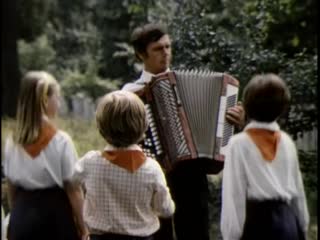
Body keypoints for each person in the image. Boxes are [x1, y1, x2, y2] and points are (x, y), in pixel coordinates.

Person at [122, 23, 244, 240]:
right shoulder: (131, 94)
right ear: (141, 54)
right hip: (153, 174)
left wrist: (235, 122)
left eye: (168, 47)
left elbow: (220, 129)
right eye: (158, 49)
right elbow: (124, 138)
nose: (166, 53)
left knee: (196, 233)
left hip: (192, 176)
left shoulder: (186, 83)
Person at [71, 90, 175, 240]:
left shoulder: (90, 162)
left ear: (101, 126)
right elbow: (165, 210)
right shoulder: (152, 169)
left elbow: (69, 182)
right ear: (144, 126)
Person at [220, 73, 310, 240]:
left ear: (246, 105)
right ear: (282, 108)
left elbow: (234, 198)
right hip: (288, 224)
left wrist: (231, 236)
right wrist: (302, 228)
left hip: (257, 226)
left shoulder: (239, 144)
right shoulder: (287, 142)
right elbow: (298, 193)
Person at [3, 71, 88, 240]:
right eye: (57, 97)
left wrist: (16, 215)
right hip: (55, 219)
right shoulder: (60, 141)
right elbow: (74, 190)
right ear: (44, 100)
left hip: (22, 216)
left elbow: (11, 187)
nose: (59, 102)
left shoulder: (12, 141)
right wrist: (83, 227)